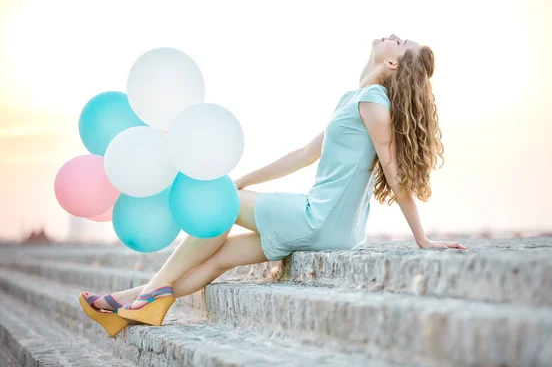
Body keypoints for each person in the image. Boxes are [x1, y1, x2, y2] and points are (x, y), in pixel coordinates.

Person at [79, 33, 467, 336]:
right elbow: (302, 153)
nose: (393, 36)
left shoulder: (372, 100)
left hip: (318, 219)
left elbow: (396, 175)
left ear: (392, 62)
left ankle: (148, 293)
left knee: (220, 207)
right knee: (218, 257)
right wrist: (245, 180)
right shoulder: (356, 98)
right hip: (329, 225)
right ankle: (126, 307)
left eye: (399, 42)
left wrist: (422, 239)